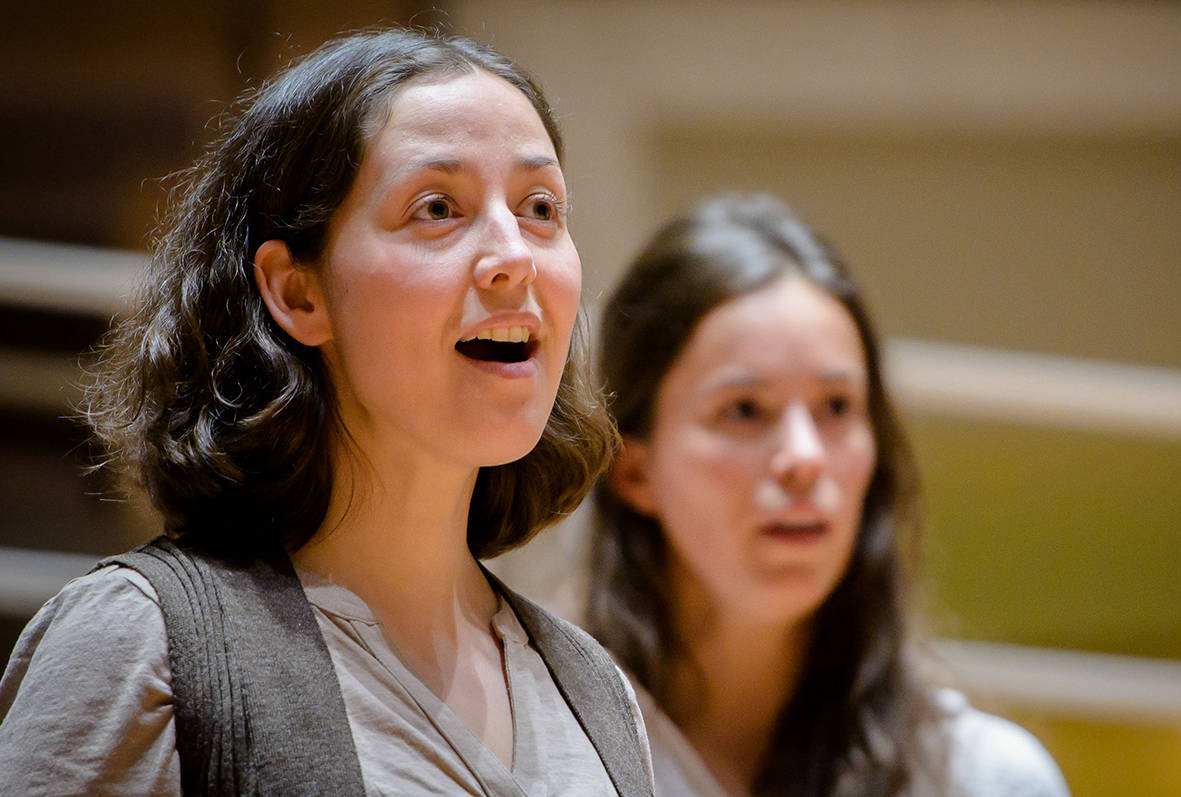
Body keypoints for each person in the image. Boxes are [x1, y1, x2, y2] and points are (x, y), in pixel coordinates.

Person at [0, 28, 652, 796]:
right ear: (297, 292)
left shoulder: (594, 689)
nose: (514, 255)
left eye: (540, 207)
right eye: (437, 207)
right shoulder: (143, 643)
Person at [586, 194, 1069, 797]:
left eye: (837, 407)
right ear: (636, 473)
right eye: (744, 410)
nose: (805, 457)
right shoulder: (545, 761)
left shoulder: (983, 778)